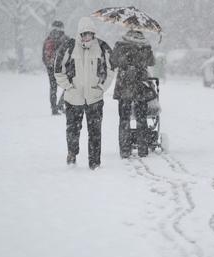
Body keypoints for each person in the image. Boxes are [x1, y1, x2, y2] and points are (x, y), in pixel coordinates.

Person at [54, 17, 114, 170]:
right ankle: (72, 154)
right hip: (73, 98)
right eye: (84, 33)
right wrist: (68, 87)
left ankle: (94, 163)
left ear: (93, 33)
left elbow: (111, 69)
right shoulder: (68, 46)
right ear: (80, 33)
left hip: (94, 98)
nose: (87, 36)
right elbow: (57, 69)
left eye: (90, 33)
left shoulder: (102, 47)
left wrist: (101, 87)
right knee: (73, 130)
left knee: (95, 132)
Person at [110, 30, 155, 158]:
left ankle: (125, 149)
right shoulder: (144, 47)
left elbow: (113, 62)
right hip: (141, 87)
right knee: (141, 119)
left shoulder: (120, 46)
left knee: (124, 119)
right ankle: (142, 148)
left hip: (124, 87)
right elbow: (151, 62)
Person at [42, 20, 69, 115]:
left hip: (51, 68)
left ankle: (54, 108)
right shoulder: (65, 39)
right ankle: (61, 104)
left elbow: (43, 57)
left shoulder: (48, 39)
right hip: (62, 68)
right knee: (69, 86)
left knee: (53, 88)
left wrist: (49, 66)